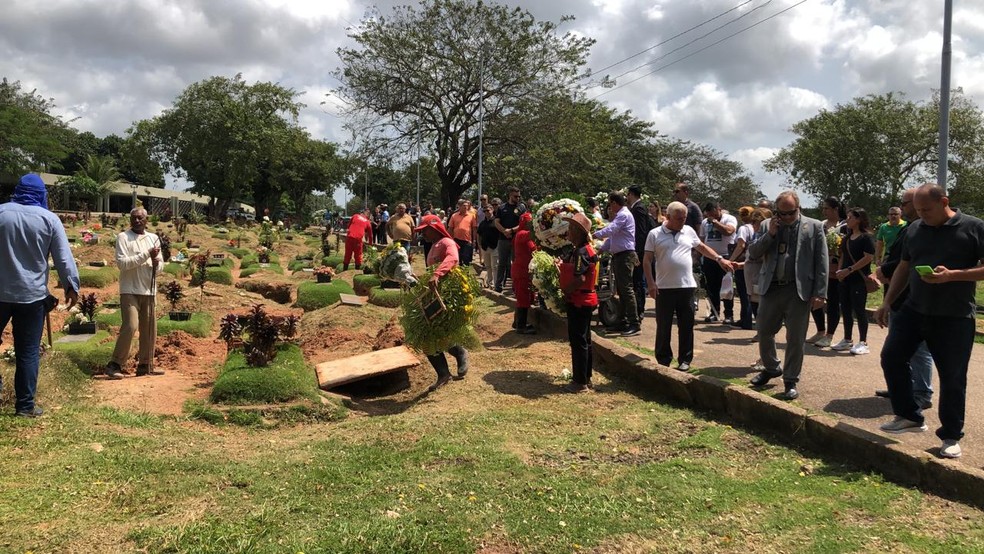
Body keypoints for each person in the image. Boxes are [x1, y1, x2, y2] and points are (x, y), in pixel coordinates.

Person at [875, 184, 984, 459]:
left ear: (944, 202)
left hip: (954, 315)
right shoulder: (914, 229)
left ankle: (950, 435)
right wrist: (887, 301)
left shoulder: (973, 227)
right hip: (914, 309)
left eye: (926, 210)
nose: (921, 215)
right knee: (891, 357)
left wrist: (953, 275)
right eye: (918, 210)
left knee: (952, 377)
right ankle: (909, 415)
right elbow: (904, 266)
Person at [0, 174, 80, 417]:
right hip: (32, 296)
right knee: (28, 351)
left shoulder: (2, 212)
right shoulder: (49, 219)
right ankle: (25, 406)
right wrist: (71, 286)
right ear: (41, 195)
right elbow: (63, 258)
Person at [748, 191, 828, 400]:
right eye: (781, 213)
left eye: (790, 213)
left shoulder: (814, 226)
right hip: (771, 288)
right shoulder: (767, 225)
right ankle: (772, 368)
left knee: (795, 338)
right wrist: (771, 234)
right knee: (763, 331)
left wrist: (820, 293)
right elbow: (754, 253)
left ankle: (791, 380)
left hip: (798, 290)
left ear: (798, 208)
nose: (785, 217)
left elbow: (822, 262)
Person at [644, 202, 734, 371]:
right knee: (664, 326)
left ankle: (685, 359)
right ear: (668, 217)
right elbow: (647, 260)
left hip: (686, 287)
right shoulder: (654, 234)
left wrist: (719, 259)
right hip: (664, 288)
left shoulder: (689, 231)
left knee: (686, 326)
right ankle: (663, 359)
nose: (682, 221)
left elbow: (702, 247)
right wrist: (650, 283)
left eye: (684, 218)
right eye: (678, 218)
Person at [873, 187, 933, 409]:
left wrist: (885, 270)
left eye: (905, 204)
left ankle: (922, 393)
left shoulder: (922, 230)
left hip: (914, 299)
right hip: (900, 298)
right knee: (899, 350)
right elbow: (900, 259)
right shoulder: (910, 228)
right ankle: (902, 387)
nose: (903, 209)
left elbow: (905, 263)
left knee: (919, 350)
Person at [105, 208, 165, 379]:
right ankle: (115, 364)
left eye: (140, 218)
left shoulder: (153, 238)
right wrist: (146, 254)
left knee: (149, 329)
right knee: (131, 326)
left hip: (148, 290)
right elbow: (122, 264)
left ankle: (145, 364)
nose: (137, 221)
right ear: (130, 220)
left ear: (147, 220)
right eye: (134, 218)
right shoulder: (123, 237)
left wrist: (156, 264)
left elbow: (161, 266)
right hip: (129, 289)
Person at [414, 216, 469, 391]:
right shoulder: (432, 246)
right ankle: (446, 371)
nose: (423, 233)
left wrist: (437, 274)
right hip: (434, 294)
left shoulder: (447, 242)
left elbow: (452, 259)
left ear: (435, 228)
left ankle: (458, 355)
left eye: (425, 230)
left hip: (446, 294)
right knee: (430, 334)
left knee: (431, 333)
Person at [559, 213, 599, 393]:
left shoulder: (581, 252)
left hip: (580, 300)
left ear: (578, 232)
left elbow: (580, 277)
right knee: (585, 340)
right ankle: (585, 378)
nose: (568, 232)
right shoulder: (586, 249)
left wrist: (566, 290)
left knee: (579, 341)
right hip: (586, 299)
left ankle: (580, 382)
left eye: (570, 229)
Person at [593, 191, 640, 336]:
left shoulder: (623, 215)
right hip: (619, 256)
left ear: (614, 203)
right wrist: (601, 250)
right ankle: (623, 321)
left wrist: (595, 234)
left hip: (625, 256)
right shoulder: (621, 215)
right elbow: (612, 238)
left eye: (610, 203)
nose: (609, 207)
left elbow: (611, 230)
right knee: (621, 290)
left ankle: (634, 323)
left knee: (626, 290)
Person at [831, 207, 876, 355]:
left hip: (859, 279)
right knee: (845, 309)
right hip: (845, 279)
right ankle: (847, 339)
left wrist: (850, 269)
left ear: (859, 219)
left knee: (859, 310)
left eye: (850, 218)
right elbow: (843, 255)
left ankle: (863, 342)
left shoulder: (866, 237)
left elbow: (868, 257)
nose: (847, 220)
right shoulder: (846, 238)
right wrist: (840, 270)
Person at [808, 197, 847, 348]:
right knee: (814, 298)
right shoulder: (821, 225)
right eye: (823, 208)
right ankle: (820, 330)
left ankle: (829, 335)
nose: (824, 211)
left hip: (834, 268)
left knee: (832, 303)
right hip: (819, 268)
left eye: (826, 208)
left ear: (836, 209)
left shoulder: (844, 226)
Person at [698, 202, 738, 323]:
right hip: (710, 258)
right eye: (708, 213)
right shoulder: (705, 222)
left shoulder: (729, 219)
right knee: (712, 287)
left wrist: (715, 222)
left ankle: (729, 315)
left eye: (712, 212)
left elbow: (729, 231)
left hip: (725, 257)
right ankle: (714, 312)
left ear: (718, 209)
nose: (710, 215)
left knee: (726, 286)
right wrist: (699, 256)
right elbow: (701, 239)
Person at [627, 185, 655, 321]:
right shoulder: (638, 208)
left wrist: (637, 250)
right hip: (639, 248)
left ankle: (639, 309)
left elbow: (640, 231)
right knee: (636, 280)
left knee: (638, 281)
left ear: (631, 194)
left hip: (639, 249)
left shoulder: (638, 209)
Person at [493, 187, 527, 292]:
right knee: (502, 263)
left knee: (515, 263)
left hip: (516, 239)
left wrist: (511, 230)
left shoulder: (522, 208)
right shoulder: (502, 208)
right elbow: (496, 222)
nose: (517, 198)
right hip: (503, 239)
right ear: (510, 196)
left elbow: (524, 223)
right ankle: (498, 285)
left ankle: (515, 285)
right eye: (515, 196)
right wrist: (504, 231)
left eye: (519, 196)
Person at [729, 206, 757, 330]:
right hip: (754, 263)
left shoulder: (743, 229)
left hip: (742, 263)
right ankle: (746, 318)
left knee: (744, 293)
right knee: (752, 292)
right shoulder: (756, 228)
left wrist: (731, 260)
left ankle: (746, 321)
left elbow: (741, 245)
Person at [511, 212, 537, 334]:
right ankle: (521, 326)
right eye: (529, 223)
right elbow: (532, 235)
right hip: (521, 271)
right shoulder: (521, 234)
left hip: (524, 271)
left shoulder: (523, 235)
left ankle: (517, 322)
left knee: (525, 297)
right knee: (523, 298)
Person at [477, 204, 501, 288]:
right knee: (488, 266)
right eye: (484, 211)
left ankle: (495, 284)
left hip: (495, 246)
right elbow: (479, 234)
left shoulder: (496, 221)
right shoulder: (482, 223)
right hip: (485, 247)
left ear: (492, 210)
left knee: (495, 266)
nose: (486, 212)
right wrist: (479, 244)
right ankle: (490, 283)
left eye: (488, 210)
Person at [448, 199, 477, 266]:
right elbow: (450, 228)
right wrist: (450, 239)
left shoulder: (471, 216)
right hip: (456, 240)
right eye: (464, 205)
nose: (466, 207)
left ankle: (466, 273)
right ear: (459, 206)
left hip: (467, 240)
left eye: (467, 205)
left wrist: (474, 240)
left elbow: (474, 229)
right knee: (458, 258)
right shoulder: (454, 216)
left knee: (466, 258)